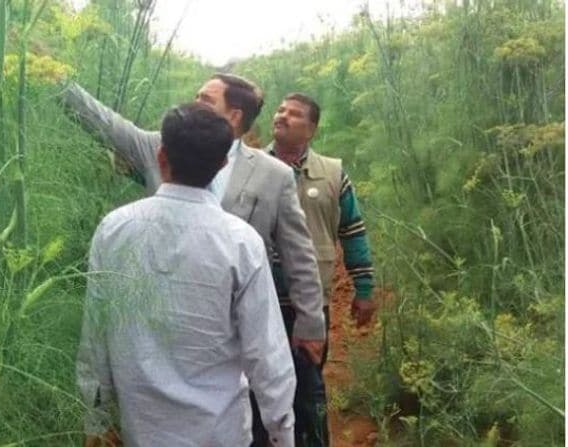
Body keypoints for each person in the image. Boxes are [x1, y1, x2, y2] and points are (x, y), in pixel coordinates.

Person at [76, 103, 296, 446]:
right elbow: (268, 356)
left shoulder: (114, 229)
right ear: (222, 164)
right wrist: (282, 434)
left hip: (141, 430)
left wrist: (97, 419)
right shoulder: (239, 242)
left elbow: (96, 335)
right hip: (220, 433)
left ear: (161, 156)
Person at [62, 73, 326, 360]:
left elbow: (298, 255)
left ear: (234, 116)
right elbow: (108, 125)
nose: (195, 102)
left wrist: (311, 323)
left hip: (233, 324)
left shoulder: (273, 175)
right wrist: (55, 78)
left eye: (205, 99)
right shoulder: (160, 147)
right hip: (162, 313)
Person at [267, 92, 377, 446]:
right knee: (258, 389)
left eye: (294, 114)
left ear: (311, 129)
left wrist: (363, 288)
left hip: (310, 305)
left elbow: (353, 230)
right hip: (257, 299)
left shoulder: (332, 173)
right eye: (280, 109)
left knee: (309, 388)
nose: (282, 116)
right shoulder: (249, 167)